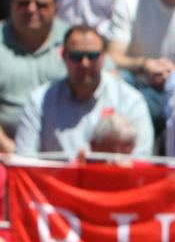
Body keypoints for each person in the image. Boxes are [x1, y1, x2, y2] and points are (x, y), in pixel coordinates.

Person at [17, 25, 154, 158]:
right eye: (76, 56)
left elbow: (140, 161)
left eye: (92, 56)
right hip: (54, 180)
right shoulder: (40, 101)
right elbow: (25, 160)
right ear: (64, 56)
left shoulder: (130, 101)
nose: (84, 63)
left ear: (103, 56)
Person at [0, 0, 66, 155]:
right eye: (23, 3)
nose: (31, 9)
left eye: (41, 4)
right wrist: (6, 145)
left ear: (55, 8)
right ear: (11, 6)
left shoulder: (74, 42)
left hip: (65, 149)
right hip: (6, 151)